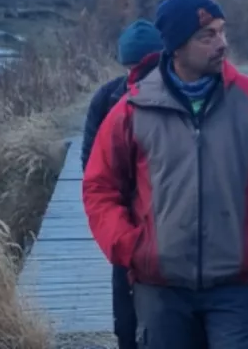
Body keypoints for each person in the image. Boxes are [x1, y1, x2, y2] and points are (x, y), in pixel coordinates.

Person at [82, 0, 248, 349]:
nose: (222, 43)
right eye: (208, 36)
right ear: (177, 46)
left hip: (236, 282)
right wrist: (132, 248)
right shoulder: (132, 109)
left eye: (222, 31)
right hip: (160, 286)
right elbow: (99, 187)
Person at [79, 19, 164, 349]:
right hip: (125, 221)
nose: (138, 73)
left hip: (168, 221)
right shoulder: (106, 99)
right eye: (133, 66)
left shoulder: (177, 93)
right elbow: (92, 167)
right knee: (126, 316)